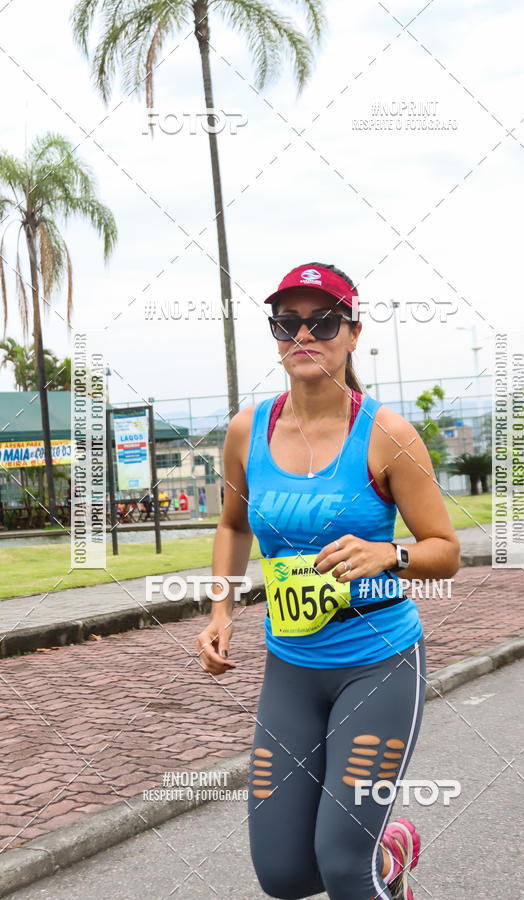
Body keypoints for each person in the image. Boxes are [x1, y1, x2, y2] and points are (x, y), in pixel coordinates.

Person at [196, 262, 460, 900]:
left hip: (378, 663)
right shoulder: (246, 431)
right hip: (290, 665)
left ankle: (375, 861)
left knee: (343, 864)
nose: (304, 335)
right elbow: (233, 525)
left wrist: (387, 554)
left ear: (353, 332)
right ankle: (389, 852)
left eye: (323, 321)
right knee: (283, 875)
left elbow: (445, 551)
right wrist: (221, 613)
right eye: (287, 323)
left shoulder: (388, 436)